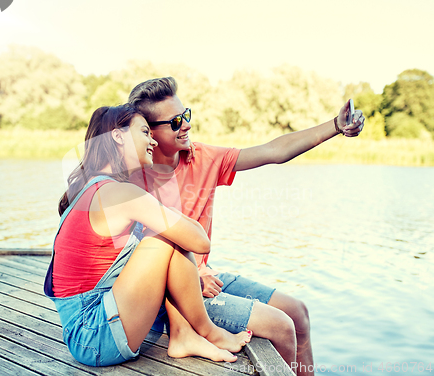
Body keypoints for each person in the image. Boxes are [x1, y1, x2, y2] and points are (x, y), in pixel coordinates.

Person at [128, 77, 365, 376]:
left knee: (299, 313)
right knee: (282, 326)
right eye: (175, 122)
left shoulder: (202, 157)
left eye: (186, 115)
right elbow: (134, 262)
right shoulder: (134, 177)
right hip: (168, 298)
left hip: (205, 277)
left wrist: (335, 126)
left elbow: (274, 151)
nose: (186, 125)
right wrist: (192, 278)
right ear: (149, 132)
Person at [43, 104, 252, 367]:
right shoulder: (118, 193)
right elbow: (200, 241)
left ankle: (183, 335)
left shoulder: (95, 187)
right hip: (94, 335)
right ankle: (207, 331)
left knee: (162, 234)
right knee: (163, 238)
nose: (152, 139)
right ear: (118, 136)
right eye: (144, 131)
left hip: (88, 327)